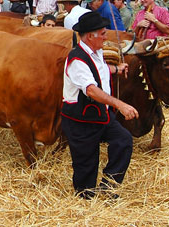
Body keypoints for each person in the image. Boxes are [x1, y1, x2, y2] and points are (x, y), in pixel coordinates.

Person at [60, 11, 137, 199]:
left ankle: (108, 186)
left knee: (123, 141)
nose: (105, 36)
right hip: (80, 118)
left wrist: (115, 69)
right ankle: (85, 198)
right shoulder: (76, 59)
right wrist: (120, 105)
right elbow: (92, 90)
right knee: (87, 163)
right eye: (102, 33)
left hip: (100, 115)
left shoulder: (96, 52)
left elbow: (97, 70)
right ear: (89, 36)